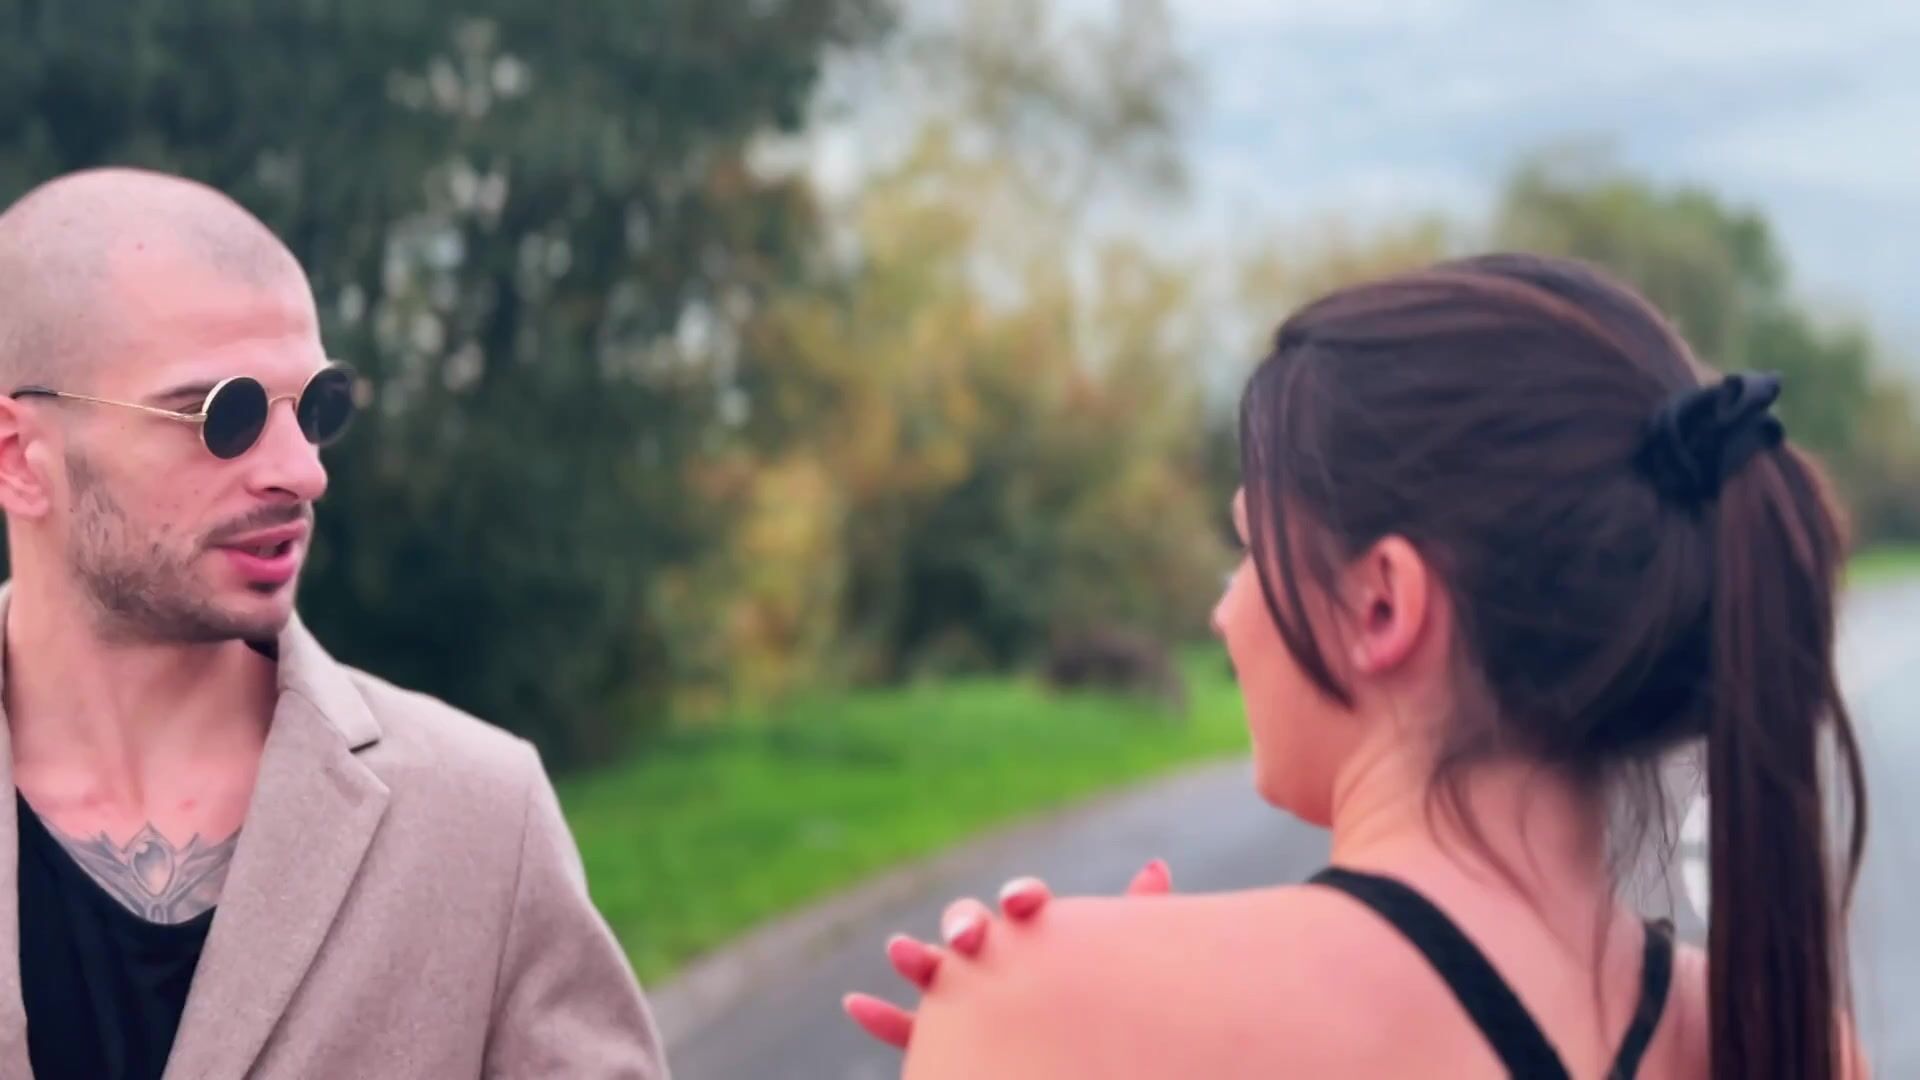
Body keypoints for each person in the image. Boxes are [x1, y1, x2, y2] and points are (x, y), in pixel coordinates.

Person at [843, 253, 1870, 1078]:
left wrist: (1061, 1014)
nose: (1225, 613)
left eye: (1250, 551)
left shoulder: (1050, 1003)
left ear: (1383, 603)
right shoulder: (1791, 1048)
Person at [0, 168, 667, 1078]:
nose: (303, 471)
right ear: (19, 459)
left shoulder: (478, 815)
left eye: (318, 408)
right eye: (222, 415)